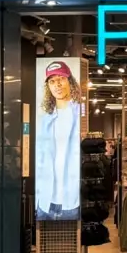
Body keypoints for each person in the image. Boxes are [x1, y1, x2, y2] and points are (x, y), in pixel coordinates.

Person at [36, 60, 82, 220]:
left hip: (71, 200)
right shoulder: (46, 119)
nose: (57, 85)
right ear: (48, 87)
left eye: (61, 79)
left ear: (70, 81)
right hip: (46, 201)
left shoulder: (79, 114)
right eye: (52, 81)